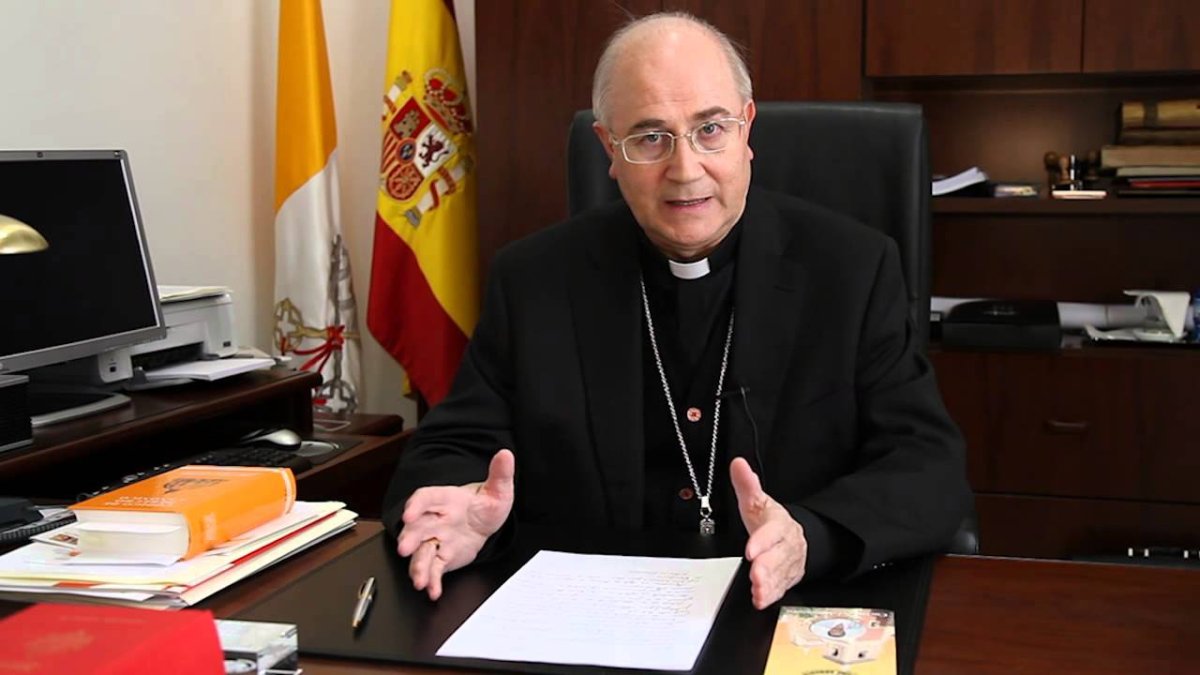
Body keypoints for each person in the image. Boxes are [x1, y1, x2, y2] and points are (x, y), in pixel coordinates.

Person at [383, 11, 971, 610]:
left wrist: (808, 537)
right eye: (650, 137)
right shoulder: (534, 280)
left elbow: (927, 467)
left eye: (710, 129)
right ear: (609, 150)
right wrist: (458, 509)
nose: (686, 170)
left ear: (747, 129)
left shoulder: (852, 270)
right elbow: (450, 446)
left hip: (777, 607)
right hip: (592, 615)